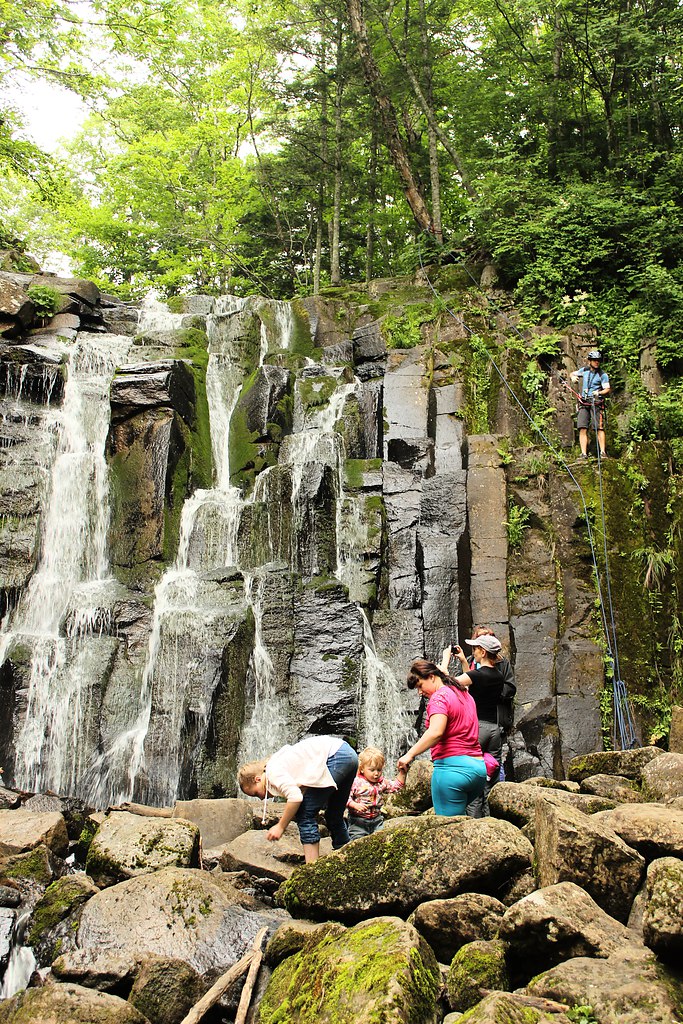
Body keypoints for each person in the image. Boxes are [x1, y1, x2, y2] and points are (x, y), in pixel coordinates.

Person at [238, 735, 358, 863]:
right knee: (334, 814)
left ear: (258, 779)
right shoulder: (279, 764)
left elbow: (295, 797)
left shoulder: (272, 773)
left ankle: (312, 869)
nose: (261, 798)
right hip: (348, 754)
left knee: (304, 814)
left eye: (256, 793)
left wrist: (281, 826)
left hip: (336, 757)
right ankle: (348, 858)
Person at [397, 657, 486, 815]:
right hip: (478, 770)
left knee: (449, 831)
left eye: (420, 685)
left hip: (452, 771)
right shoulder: (463, 693)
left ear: (431, 677)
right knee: (460, 824)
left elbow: (436, 732)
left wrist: (409, 754)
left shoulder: (439, 698)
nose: (419, 692)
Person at [447, 634, 506, 817]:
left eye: (474, 649)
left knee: (473, 781)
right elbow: (473, 680)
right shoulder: (497, 675)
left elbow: (449, 683)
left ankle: (474, 823)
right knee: (490, 779)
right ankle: (492, 821)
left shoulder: (478, 675)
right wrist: (464, 660)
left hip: (477, 730)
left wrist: (445, 661)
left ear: (482, 651)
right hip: (494, 731)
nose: (473, 652)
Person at [346, 746, 407, 840]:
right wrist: (354, 805)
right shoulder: (356, 782)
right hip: (358, 821)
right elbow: (345, 797)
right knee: (357, 841)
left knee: (380, 840)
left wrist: (402, 773)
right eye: (372, 770)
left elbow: (396, 786)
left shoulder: (382, 782)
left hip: (377, 820)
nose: (376, 773)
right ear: (362, 769)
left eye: (379, 770)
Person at [570, 349, 611, 459]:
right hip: (584, 402)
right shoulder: (585, 370)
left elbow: (607, 389)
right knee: (582, 427)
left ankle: (603, 452)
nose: (596, 362)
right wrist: (573, 377)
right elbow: (572, 373)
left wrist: (598, 392)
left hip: (596, 403)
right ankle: (584, 453)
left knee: (599, 427)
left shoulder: (602, 375)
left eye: (598, 360)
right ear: (590, 361)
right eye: (594, 360)